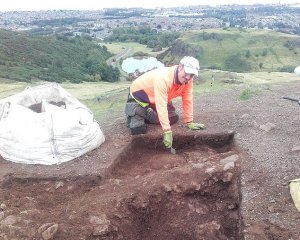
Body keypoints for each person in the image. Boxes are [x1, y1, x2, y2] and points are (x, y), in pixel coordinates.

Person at [125, 56, 205, 149]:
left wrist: (189, 121)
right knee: (138, 129)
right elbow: (161, 105)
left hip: (159, 98)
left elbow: (187, 99)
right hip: (140, 97)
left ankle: (146, 113)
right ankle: (136, 114)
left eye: (191, 75)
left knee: (173, 118)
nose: (188, 77)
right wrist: (167, 131)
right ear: (180, 67)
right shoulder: (164, 78)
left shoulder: (188, 81)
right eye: (187, 72)